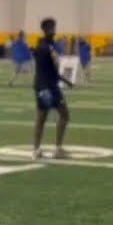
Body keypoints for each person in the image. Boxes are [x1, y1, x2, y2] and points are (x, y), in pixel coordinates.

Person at [32, 17, 72, 160]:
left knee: (65, 115)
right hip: (45, 87)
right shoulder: (42, 47)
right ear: (47, 29)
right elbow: (41, 70)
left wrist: (65, 80)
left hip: (52, 86)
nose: (54, 30)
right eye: (52, 28)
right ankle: (37, 150)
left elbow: (53, 69)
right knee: (42, 118)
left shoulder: (51, 45)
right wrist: (43, 89)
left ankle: (58, 149)